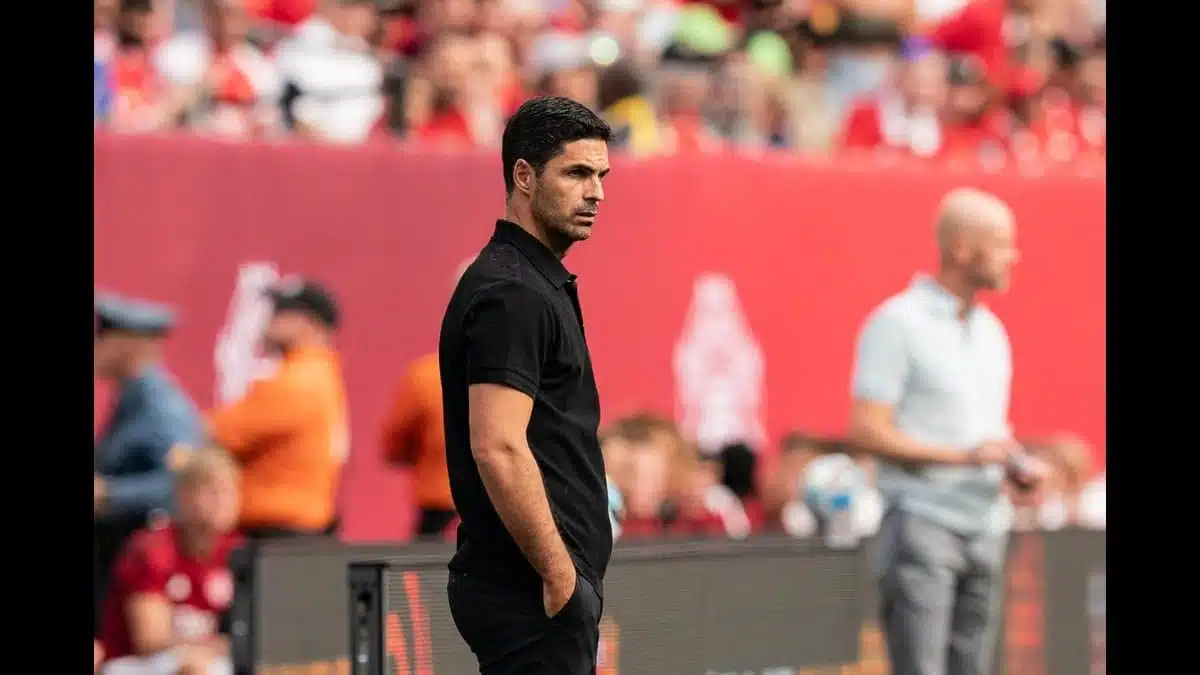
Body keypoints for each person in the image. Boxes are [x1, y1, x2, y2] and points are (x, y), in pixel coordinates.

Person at [439, 96, 613, 675]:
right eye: (577, 173)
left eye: (601, 176)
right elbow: (497, 445)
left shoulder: (531, 281)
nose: (596, 193)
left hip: (537, 590)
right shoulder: (513, 292)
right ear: (523, 176)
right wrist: (560, 576)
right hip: (530, 593)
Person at [848, 187, 1049, 675]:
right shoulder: (897, 323)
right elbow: (867, 431)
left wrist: (1012, 467)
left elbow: (982, 432)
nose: (1013, 257)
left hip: (985, 526)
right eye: (1000, 244)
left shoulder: (991, 332)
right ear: (961, 248)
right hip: (922, 524)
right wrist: (965, 458)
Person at [206, 278, 348, 540]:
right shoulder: (317, 374)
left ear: (311, 324)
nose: (270, 319)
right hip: (292, 529)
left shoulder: (299, 380)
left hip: (278, 533)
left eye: (283, 311)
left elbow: (220, 433)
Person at [94, 294, 203, 637]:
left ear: (130, 345)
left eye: (103, 337)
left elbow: (183, 483)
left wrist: (109, 494)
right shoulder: (130, 399)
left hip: (138, 558)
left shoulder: (161, 406)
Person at [98, 448, 242, 675]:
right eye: (211, 490)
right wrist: (219, 646)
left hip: (204, 657)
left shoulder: (237, 550)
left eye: (229, 492)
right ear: (183, 495)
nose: (221, 501)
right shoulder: (152, 548)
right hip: (133, 663)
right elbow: (150, 638)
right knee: (196, 668)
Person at [382, 351, 455, 539]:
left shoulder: (427, 375)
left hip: (439, 496)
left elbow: (396, 441)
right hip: (501, 496)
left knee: (428, 553)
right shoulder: (514, 371)